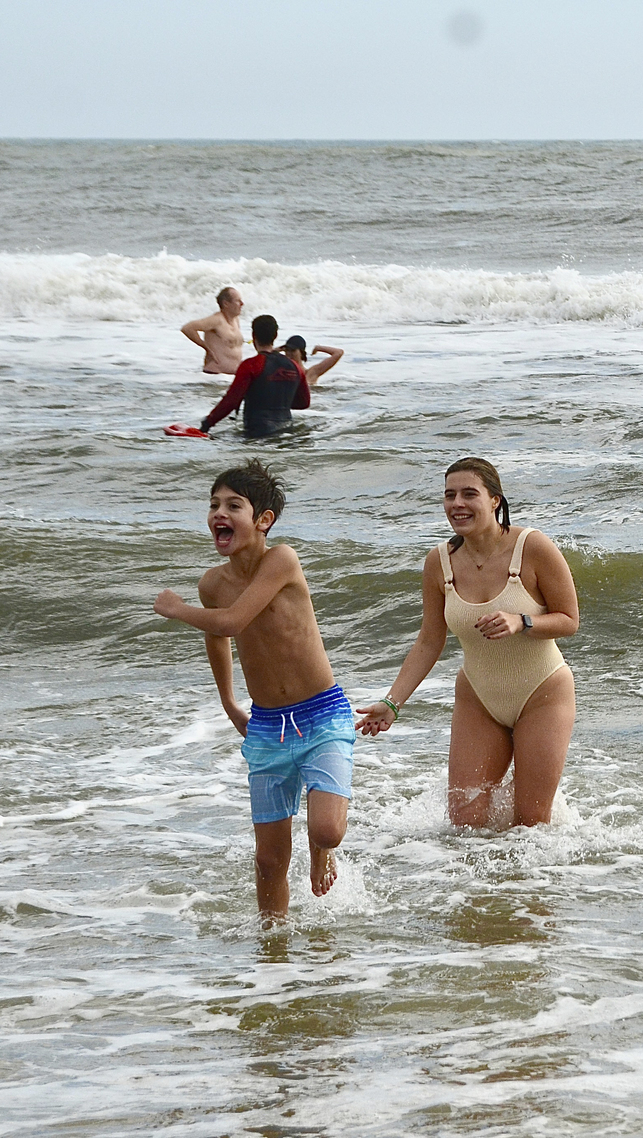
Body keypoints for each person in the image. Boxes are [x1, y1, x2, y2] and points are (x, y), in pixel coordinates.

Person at [152, 460, 354, 922]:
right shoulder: (213, 583)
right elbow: (218, 637)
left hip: (321, 713)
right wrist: (228, 701)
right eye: (214, 505)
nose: (219, 513)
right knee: (268, 861)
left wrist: (176, 608)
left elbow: (233, 621)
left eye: (233, 506)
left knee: (326, 830)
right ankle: (273, 950)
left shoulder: (280, 559)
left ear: (263, 520)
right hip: (267, 726)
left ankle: (321, 851)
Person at [356, 458, 579, 828]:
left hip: (542, 693)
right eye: (449, 495)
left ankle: (529, 886)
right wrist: (392, 703)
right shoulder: (439, 562)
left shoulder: (533, 546)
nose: (457, 503)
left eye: (468, 494)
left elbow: (569, 620)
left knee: (531, 824)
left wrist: (521, 621)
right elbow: (429, 641)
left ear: (494, 500)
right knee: (465, 823)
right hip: (478, 697)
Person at [198, 315, 310, 437]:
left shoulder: (250, 365)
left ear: (253, 336)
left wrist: (207, 424)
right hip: (287, 430)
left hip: (258, 432)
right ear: (275, 336)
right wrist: (279, 401)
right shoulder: (295, 367)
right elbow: (304, 402)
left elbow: (231, 401)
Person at [180, 287, 246, 375]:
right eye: (237, 301)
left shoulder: (236, 320)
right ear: (226, 304)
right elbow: (187, 328)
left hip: (231, 377)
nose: (242, 304)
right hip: (214, 376)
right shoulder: (216, 320)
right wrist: (206, 347)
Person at [280, 336, 345, 385]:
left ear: (301, 353)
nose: (288, 353)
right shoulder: (281, 371)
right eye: (287, 350)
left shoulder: (310, 373)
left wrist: (319, 348)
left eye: (292, 351)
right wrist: (279, 349)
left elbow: (338, 352)